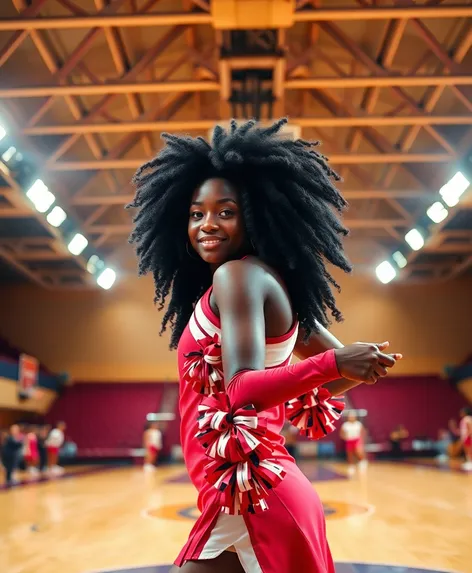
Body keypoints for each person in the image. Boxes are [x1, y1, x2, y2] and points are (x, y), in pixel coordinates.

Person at [127, 118, 402, 573]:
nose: (207, 224)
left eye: (226, 211)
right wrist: (339, 362)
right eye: (197, 213)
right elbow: (336, 375)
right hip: (249, 488)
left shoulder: (236, 277)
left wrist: (336, 359)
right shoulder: (260, 281)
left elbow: (241, 390)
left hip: (253, 499)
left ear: (254, 214)